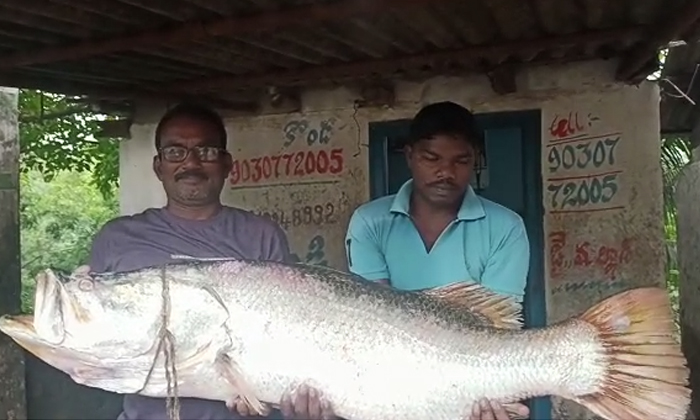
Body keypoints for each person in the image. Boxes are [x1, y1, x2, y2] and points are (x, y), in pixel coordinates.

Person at [83, 102, 333, 420]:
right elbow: (100, 338)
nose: (191, 163)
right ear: (158, 166)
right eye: (175, 152)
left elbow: (284, 337)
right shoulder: (117, 237)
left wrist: (272, 396)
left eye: (206, 151)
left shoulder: (260, 235)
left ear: (227, 164)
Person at [344, 101, 532, 420]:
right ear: (410, 156)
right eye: (432, 158)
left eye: (461, 160)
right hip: (391, 382)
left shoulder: (506, 227)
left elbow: (496, 326)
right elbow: (376, 322)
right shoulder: (369, 222)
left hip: (471, 376)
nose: (445, 172)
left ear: (476, 162)